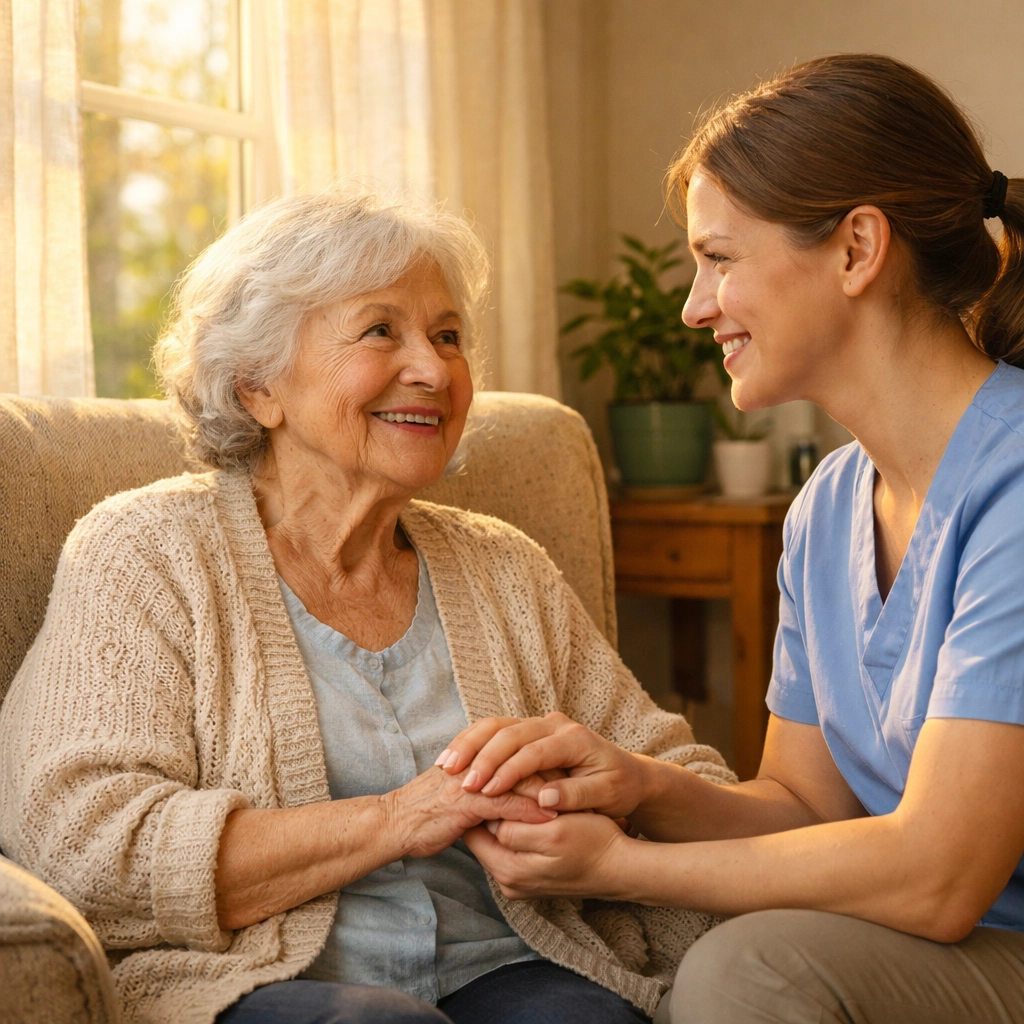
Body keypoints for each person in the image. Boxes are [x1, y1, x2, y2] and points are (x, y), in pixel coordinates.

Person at [0, 187, 734, 1024]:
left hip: (512, 962)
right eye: (381, 330)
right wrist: (398, 818)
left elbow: (676, 779)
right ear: (256, 388)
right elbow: (81, 840)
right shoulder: (144, 554)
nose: (433, 368)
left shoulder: (505, 569)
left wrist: (604, 789)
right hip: (252, 980)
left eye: (448, 336)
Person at [438, 54, 1024, 1023]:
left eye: (718, 259)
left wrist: (625, 867)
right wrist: (637, 786)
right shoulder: (826, 507)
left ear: (855, 250)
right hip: (950, 943)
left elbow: (937, 877)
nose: (693, 304)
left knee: (746, 968)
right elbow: (803, 806)